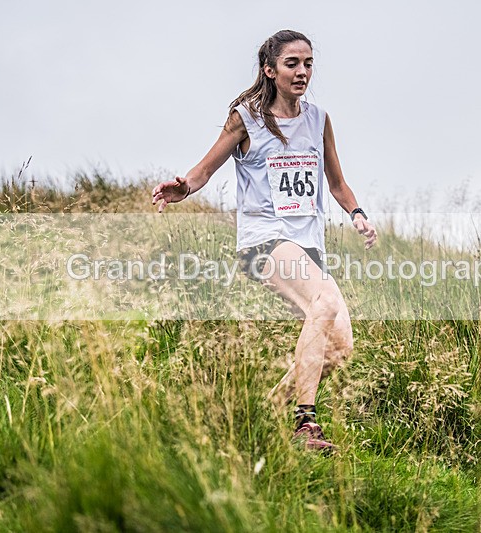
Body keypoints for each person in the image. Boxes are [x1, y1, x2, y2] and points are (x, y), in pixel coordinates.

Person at [152, 29, 377, 451]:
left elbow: (337, 182)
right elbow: (204, 169)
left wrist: (358, 214)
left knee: (340, 344)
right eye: (292, 63)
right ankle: (305, 427)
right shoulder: (247, 118)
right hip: (263, 242)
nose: (303, 71)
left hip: (307, 247)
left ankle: (270, 413)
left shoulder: (318, 120)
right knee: (324, 304)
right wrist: (184, 188)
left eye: (308, 63)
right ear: (270, 70)